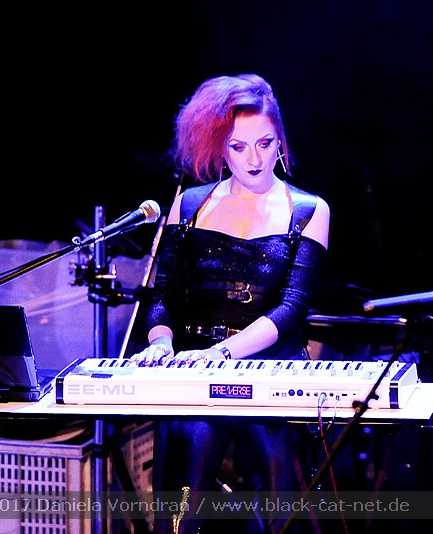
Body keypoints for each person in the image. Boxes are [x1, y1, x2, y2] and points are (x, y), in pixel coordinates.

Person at [131, 74, 330, 533]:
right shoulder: (191, 204)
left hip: (271, 371)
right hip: (194, 370)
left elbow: (292, 306)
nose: (254, 160)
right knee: (179, 512)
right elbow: (165, 294)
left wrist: (222, 353)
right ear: (220, 148)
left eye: (265, 144)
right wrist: (160, 344)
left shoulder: (308, 209)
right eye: (239, 147)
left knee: (277, 510)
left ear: (280, 142)